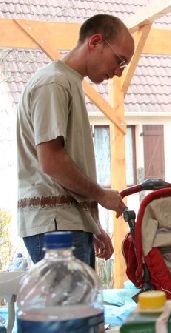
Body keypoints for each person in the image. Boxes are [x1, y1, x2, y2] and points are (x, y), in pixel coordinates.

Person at [17, 14, 133, 267]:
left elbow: (68, 165)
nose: (118, 71)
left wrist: (91, 225)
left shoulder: (68, 83)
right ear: (95, 42)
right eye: (119, 60)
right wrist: (101, 194)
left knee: (82, 306)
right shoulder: (53, 83)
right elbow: (52, 162)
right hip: (55, 229)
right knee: (71, 307)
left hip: (66, 223)